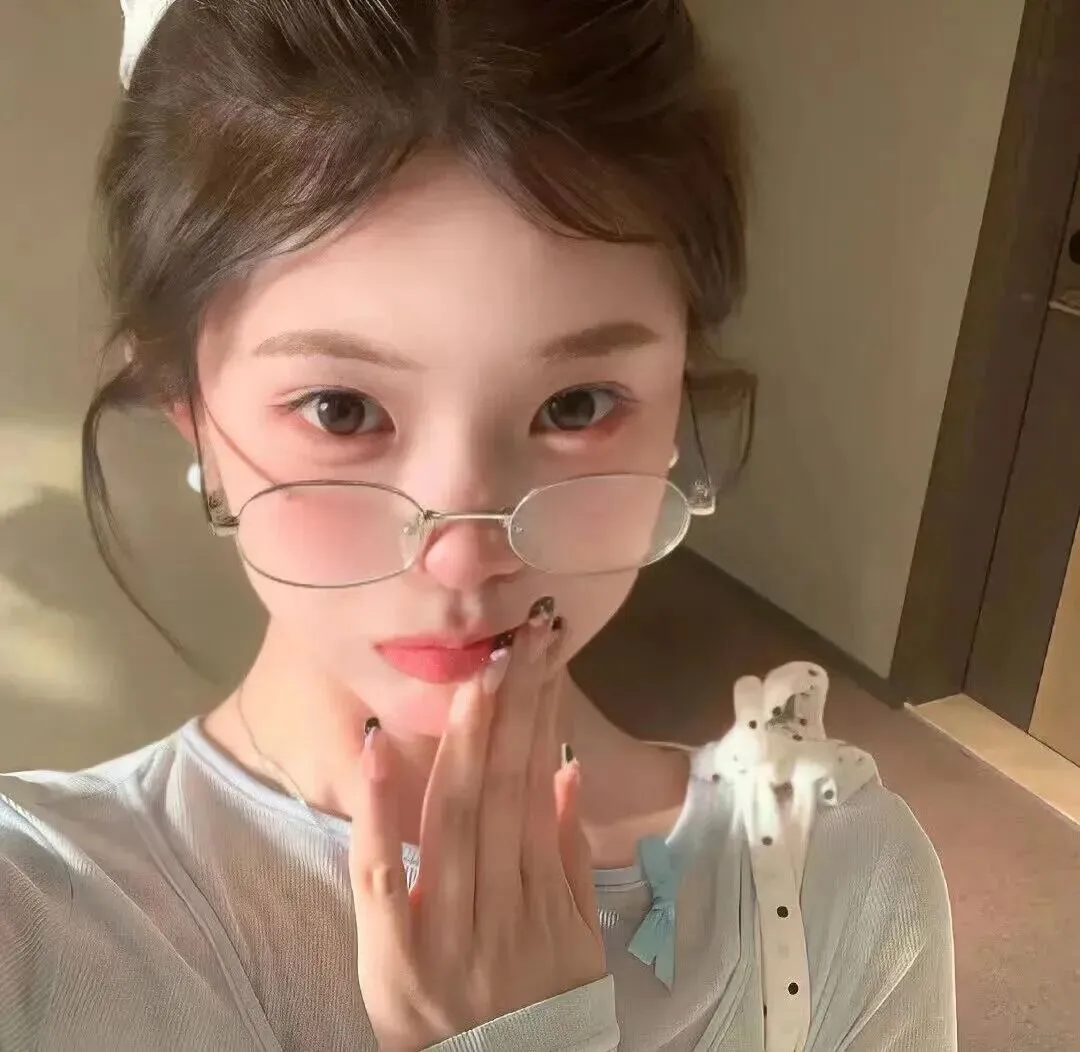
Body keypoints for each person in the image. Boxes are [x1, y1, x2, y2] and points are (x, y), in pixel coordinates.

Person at [0, 1, 957, 1050]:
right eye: (341, 410)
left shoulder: (834, 888)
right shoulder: (41, 921)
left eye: (576, 405)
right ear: (188, 403)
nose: (463, 555)